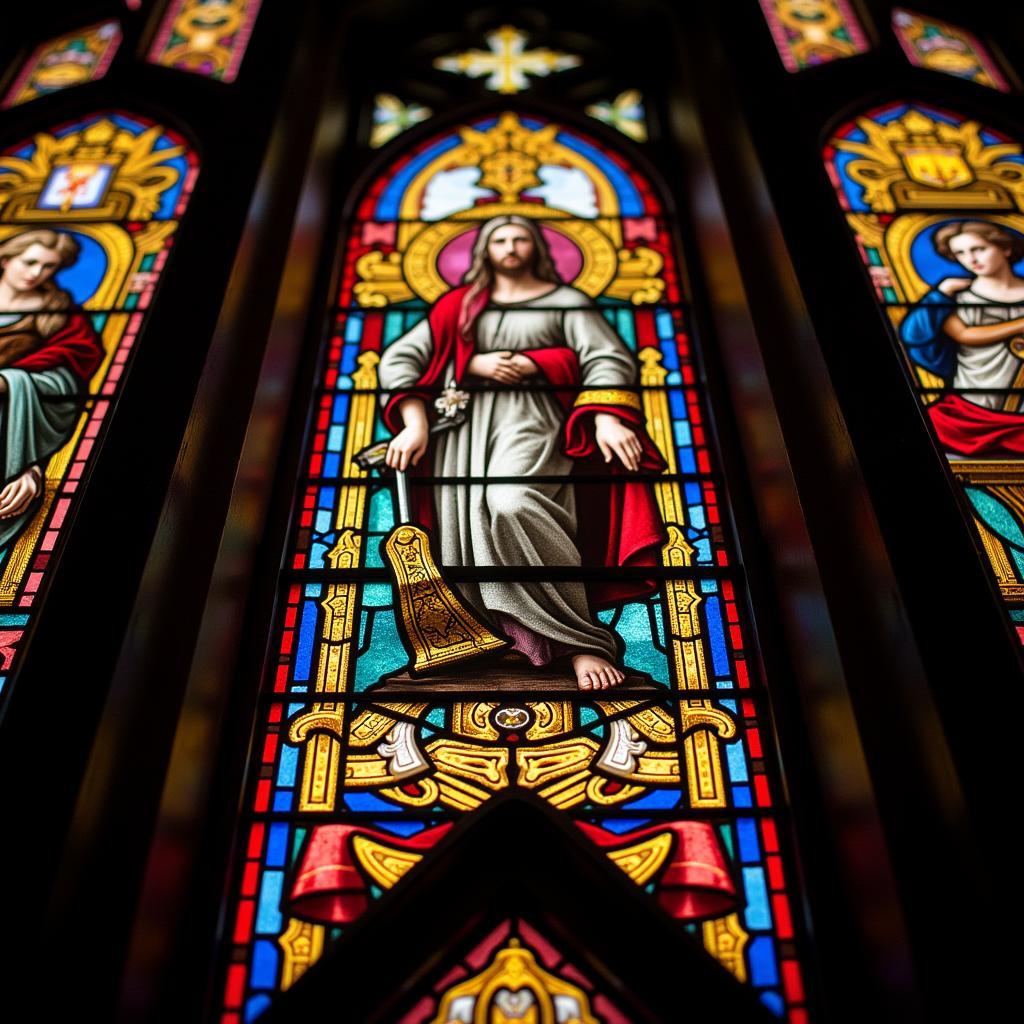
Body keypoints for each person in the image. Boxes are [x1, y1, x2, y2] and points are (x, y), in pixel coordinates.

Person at [379, 215, 667, 690]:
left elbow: (607, 357)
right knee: (465, 530)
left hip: (535, 421)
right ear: (484, 250)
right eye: (500, 239)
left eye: (520, 239)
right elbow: (400, 359)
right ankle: (497, 639)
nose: (510, 247)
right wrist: (418, 417)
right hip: (464, 433)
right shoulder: (460, 306)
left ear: (536, 247)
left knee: (512, 503)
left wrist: (605, 416)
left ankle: (579, 641)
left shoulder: (565, 301)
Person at [0, 229, 103, 563]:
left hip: (9, 429)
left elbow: (69, 382)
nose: (36, 273)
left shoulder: (59, 314)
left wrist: (10, 381)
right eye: (29, 262)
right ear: (6, 258)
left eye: (48, 267)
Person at [901, 220, 1024, 456]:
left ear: (1005, 249)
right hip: (971, 410)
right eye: (960, 253)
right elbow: (964, 335)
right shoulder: (957, 299)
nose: (971, 259)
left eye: (978, 249)